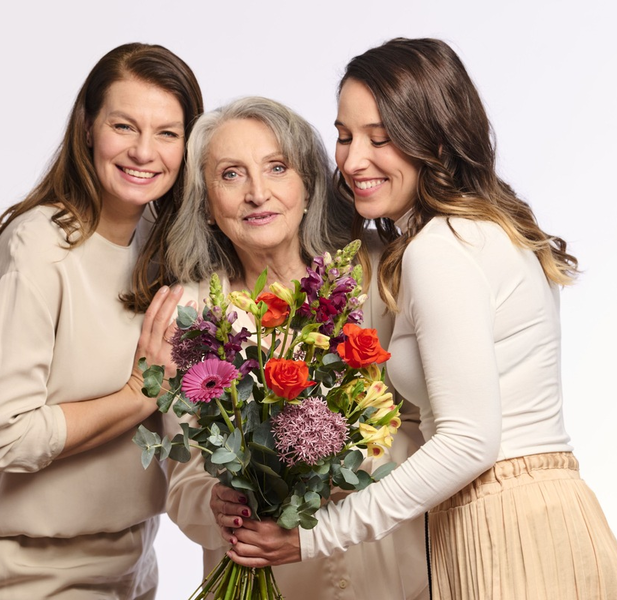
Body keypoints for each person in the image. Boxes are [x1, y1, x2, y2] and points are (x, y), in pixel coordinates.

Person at [215, 39, 617, 599]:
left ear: (434, 140)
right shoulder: (482, 228)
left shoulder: (441, 248)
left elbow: (467, 441)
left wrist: (313, 538)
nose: (353, 159)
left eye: (380, 139)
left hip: (505, 528)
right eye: (344, 136)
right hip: (536, 515)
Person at [0, 43, 203, 599]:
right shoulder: (40, 245)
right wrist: (136, 395)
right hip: (30, 568)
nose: (143, 152)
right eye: (124, 126)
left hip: (131, 556)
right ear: (87, 127)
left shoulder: (165, 245)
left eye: (167, 133)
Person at [165, 96, 429, 599]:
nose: (257, 194)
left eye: (277, 168)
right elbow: (182, 479)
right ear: (205, 203)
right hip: (270, 578)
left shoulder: (378, 274)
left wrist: (330, 465)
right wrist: (215, 501)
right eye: (231, 175)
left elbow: (431, 426)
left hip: (393, 570)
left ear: (308, 185)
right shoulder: (195, 313)